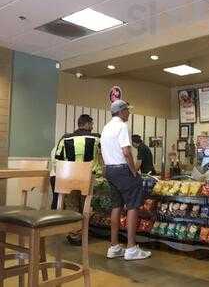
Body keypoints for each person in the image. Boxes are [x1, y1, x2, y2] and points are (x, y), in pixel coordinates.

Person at [101, 100, 151, 261]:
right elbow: (126, 152)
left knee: (116, 206)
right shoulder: (122, 126)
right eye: (127, 111)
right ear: (121, 111)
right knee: (133, 206)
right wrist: (133, 171)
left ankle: (114, 246)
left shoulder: (106, 127)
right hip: (123, 170)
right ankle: (131, 247)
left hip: (110, 170)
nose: (129, 113)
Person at [54, 114, 102, 245]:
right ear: (86, 124)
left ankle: (74, 234)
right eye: (91, 124)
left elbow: (57, 159)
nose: (92, 127)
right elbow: (103, 156)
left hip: (69, 178)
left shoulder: (65, 138)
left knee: (71, 206)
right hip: (88, 177)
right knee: (86, 207)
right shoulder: (96, 137)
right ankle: (84, 234)